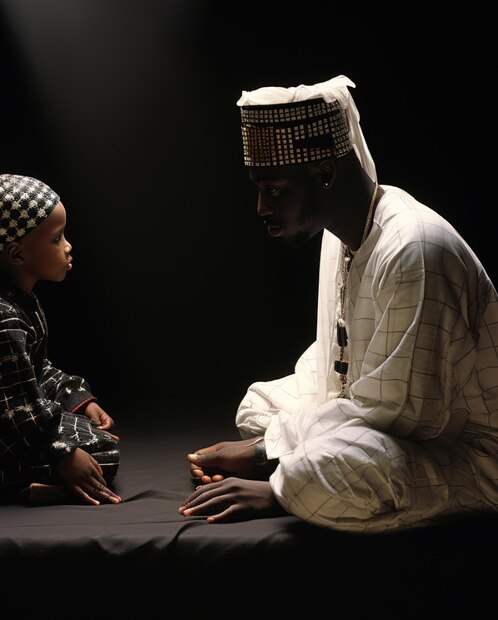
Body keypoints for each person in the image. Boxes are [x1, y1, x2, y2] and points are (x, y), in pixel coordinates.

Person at [179, 75, 498, 533]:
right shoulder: (339, 237)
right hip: (381, 416)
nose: (261, 209)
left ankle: (291, 479)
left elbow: (403, 418)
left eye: (273, 190)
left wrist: (267, 462)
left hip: (464, 452)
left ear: (325, 173)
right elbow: (337, 359)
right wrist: (279, 436)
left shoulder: (414, 248)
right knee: (258, 404)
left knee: (312, 474)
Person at [0, 173, 121, 506]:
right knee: (102, 456)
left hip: (4, 410)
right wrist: (63, 453)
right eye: (57, 239)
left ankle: (33, 475)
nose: (68, 246)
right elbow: (16, 407)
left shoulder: (19, 299)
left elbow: (35, 370)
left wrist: (79, 399)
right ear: (17, 255)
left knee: (97, 441)